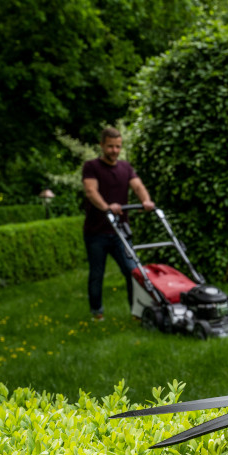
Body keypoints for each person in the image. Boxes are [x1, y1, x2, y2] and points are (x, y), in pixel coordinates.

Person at [82, 126, 155, 320]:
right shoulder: (91, 167)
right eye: (110, 147)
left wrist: (146, 201)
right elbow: (91, 191)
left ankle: (137, 312)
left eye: (118, 147)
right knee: (97, 273)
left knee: (133, 271)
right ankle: (97, 313)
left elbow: (138, 186)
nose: (114, 151)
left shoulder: (126, 167)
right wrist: (107, 207)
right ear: (102, 145)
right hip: (96, 232)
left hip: (120, 232)